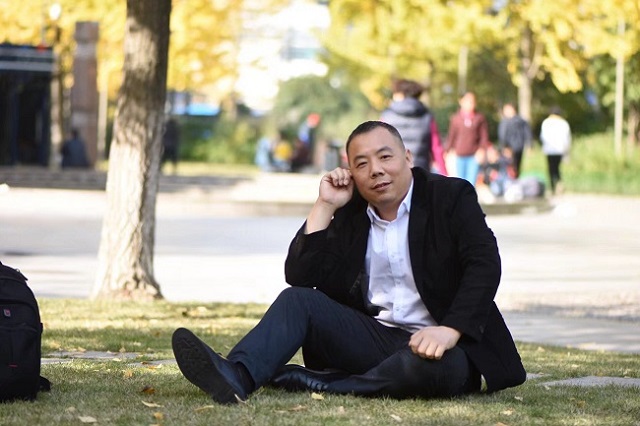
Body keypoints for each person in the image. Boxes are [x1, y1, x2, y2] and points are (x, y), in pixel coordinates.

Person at [171, 121, 526, 404]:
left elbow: (484, 265)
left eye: (385, 157)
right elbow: (299, 275)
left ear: (407, 157)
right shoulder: (352, 211)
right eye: (362, 164)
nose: (376, 170)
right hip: (375, 339)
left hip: (444, 346)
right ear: (351, 172)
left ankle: (326, 384)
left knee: (432, 369)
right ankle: (239, 375)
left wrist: (450, 330)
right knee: (298, 301)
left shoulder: (450, 197)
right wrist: (325, 205)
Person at [380, 78, 447, 175]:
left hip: (393, 172)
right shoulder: (427, 117)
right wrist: (444, 173)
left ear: (400, 94)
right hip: (421, 171)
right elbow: (436, 148)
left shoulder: (386, 116)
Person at [445, 92, 491, 186]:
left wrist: (482, 150)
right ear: (461, 101)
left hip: (473, 156)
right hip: (460, 155)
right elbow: (452, 136)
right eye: (468, 101)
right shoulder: (456, 119)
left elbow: (484, 136)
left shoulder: (479, 118)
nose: (470, 103)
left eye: (472, 101)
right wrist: (447, 150)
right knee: (461, 182)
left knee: (471, 182)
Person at [540, 107, 571, 195]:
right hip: (560, 149)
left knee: (551, 168)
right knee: (557, 168)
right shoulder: (563, 123)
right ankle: (559, 183)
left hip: (549, 149)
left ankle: (553, 186)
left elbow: (542, 137)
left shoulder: (546, 123)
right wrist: (567, 151)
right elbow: (567, 139)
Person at [497, 103, 532, 178]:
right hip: (508, 148)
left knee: (515, 167)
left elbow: (527, 133)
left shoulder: (520, 121)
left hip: (517, 147)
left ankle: (514, 180)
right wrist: (504, 147)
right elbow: (502, 136)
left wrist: (529, 145)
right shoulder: (504, 121)